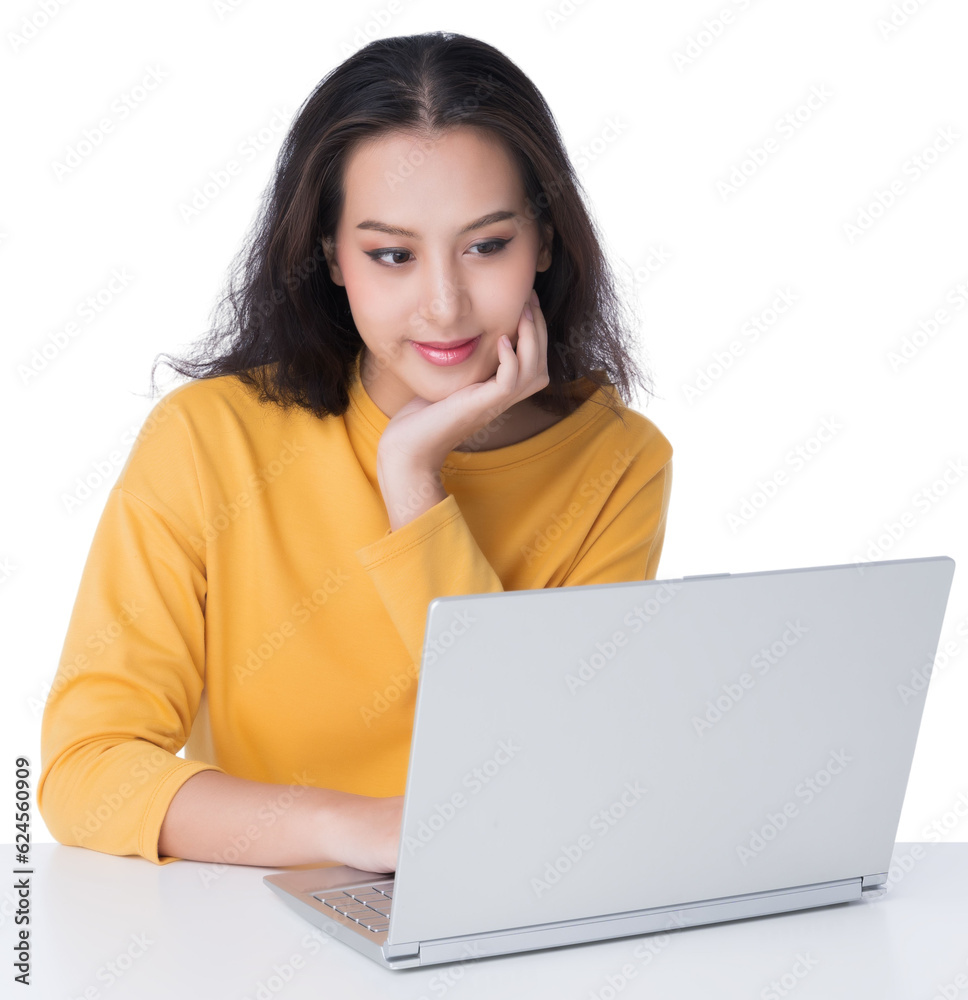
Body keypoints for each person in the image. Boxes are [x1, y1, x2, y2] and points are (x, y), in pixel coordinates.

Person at [38, 31, 673, 875]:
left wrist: (412, 479)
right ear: (332, 256)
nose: (443, 305)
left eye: (487, 246)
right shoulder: (208, 439)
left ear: (546, 243)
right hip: (248, 917)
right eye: (392, 255)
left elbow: (543, 767)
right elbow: (86, 772)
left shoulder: (617, 462)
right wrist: (359, 829)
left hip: (507, 902)